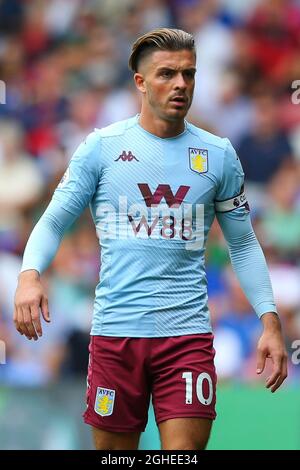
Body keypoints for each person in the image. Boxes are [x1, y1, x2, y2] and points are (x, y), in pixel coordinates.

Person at [14, 28, 288, 451]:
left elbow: (244, 244)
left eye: (188, 74)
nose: (180, 84)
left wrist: (269, 321)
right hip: (115, 336)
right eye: (167, 74)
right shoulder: (101, 149)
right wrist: (29, 276)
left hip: (187, 338)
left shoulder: (218, 155)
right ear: (140, 83)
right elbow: (52, 222)